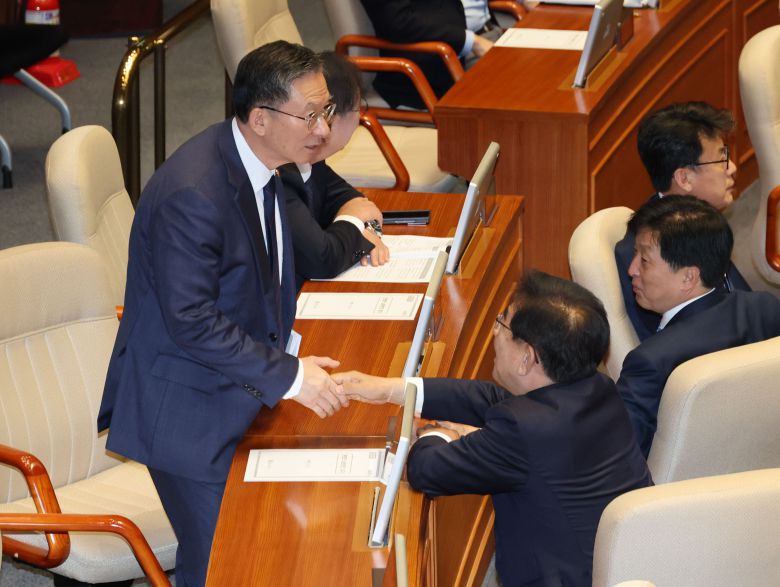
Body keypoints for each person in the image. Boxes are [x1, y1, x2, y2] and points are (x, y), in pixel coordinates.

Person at [97, 41, 351, 587]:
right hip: (189, 412)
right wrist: (287, 375)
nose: (324, 129)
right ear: (260, 118)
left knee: (273, 544)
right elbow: (190, 319)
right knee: (225, 567)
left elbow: (257, 280)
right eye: (310, 115)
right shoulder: (195, 193)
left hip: (238, 389)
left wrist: (287, 352)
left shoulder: (265, 163)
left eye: (326, 111)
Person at [335, 270, 652, 586]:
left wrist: (438, 433)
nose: (493, 329)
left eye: (502, 321)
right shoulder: (598, 388)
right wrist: (395, 390)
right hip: (622, 567)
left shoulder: (523, 429)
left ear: (526, 358)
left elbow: (426, 468)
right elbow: (492, 399)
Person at [616, 195, 780, 457]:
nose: (631, 269)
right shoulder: (764, 308)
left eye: (644, 260)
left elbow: (621, 458)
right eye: (634, 254)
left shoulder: (650, 361)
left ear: (688, 277)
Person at [614, 101, 751, 341]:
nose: (732, 168)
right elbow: (670, 348)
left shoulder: (699, 223)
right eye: (721, 160)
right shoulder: (645, 258)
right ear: (684, 178)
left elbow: (739, 300)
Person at [280, 51, 390, 291]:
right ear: (332, 116)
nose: (360, 118)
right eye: (357, 109)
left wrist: (369, 231)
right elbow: (321, 259)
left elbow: (355, 202)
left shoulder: (311, 159)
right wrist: (353, 227)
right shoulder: (281, 171)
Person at [360, 0, 501, 109]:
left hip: (455, 53)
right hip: (424, 73)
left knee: (516, 72)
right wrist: (470, 41)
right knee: (509, 88)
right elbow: (399, 23)